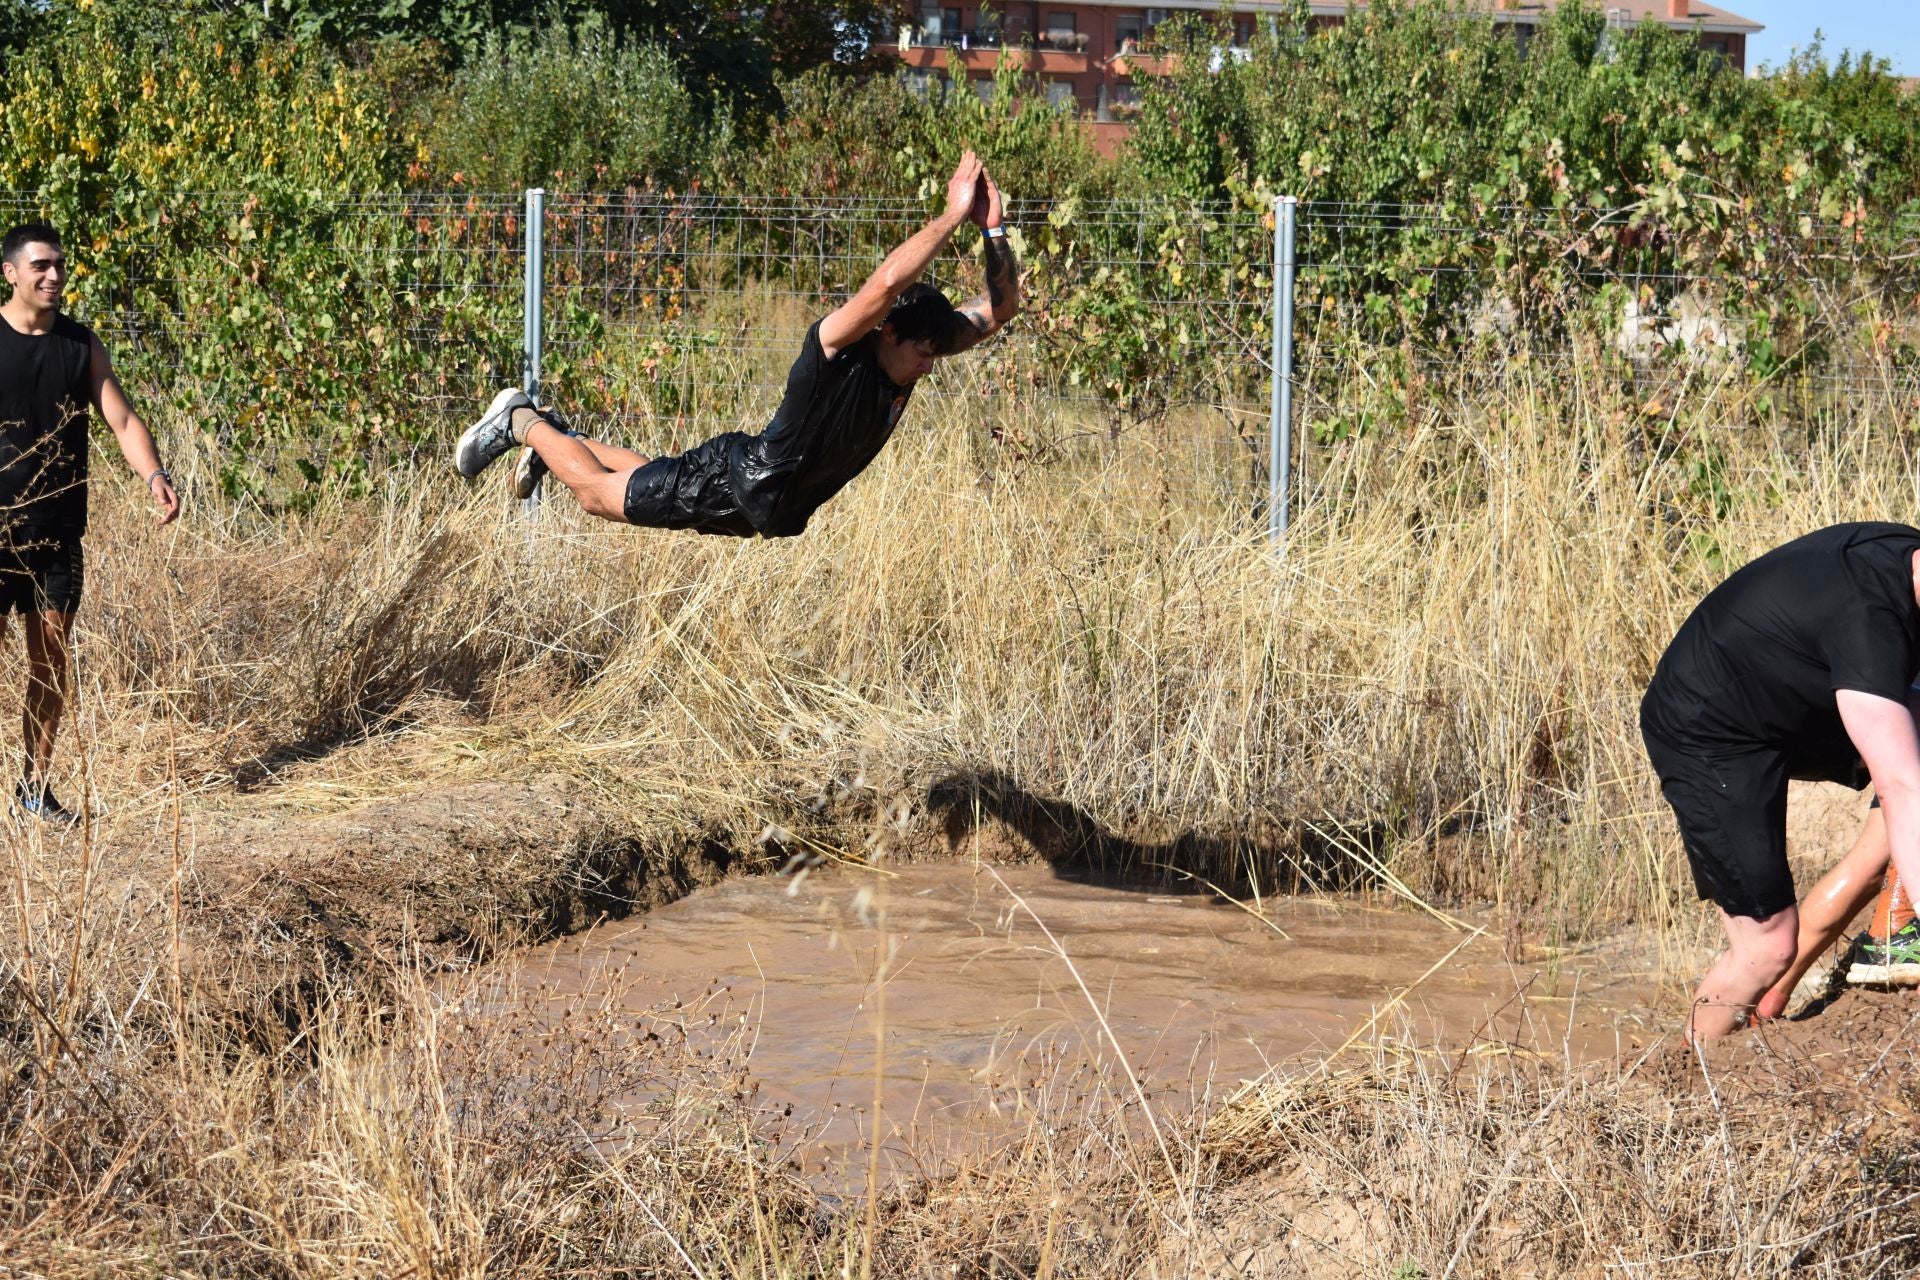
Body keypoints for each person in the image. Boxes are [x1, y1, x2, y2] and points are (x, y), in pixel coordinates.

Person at [453, 151, 1021, 537]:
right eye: (923, 353)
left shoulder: (914, 345)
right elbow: (887, 284)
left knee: (645, 474)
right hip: (733, 484)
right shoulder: (835, 349)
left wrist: (991, 228)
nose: (928, 366)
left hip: (756, 506)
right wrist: (953, 214)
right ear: (888, 332)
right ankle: (522, 420)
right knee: (597, 497)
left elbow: (999, 311)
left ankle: (560, 440)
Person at [1641, 522, 1920, 1040]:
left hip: (1784, 697)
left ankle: (1875, 940)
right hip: (1705, 728)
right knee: (1766, 944)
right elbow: (1901, 785)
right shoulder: (1868, 621)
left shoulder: (1904, 561)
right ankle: (1691, 1070)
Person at [0, 222, 180, 825]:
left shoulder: (80, 345)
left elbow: (122, 420)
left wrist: (155, 476)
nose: (54, 275)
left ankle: (33, 791)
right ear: (11, 273)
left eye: (59, 264)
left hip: (57, 533)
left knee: (50, 661)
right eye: (41, 266)